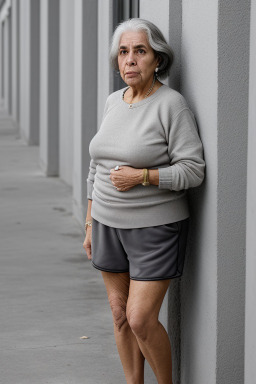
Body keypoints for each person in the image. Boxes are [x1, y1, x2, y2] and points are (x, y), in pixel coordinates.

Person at [83, 18, 205, 384]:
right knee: (119, 314)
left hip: (155, 228)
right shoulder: (112, 102)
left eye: (140, 51)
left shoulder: (172, 105)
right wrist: (89, 223)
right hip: (106, 223)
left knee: (139, 318)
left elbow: (193, 170)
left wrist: (143, 176)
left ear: (158, 59)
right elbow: (96, 165)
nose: (130, 60)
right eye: (124, 52)